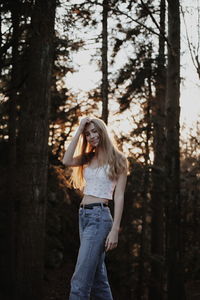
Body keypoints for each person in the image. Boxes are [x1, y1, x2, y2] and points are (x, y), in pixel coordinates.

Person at [62, 116, 128, 300]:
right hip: (83, 216)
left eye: (94, 131)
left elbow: (120, 195)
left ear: (102, 131)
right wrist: (79, 127)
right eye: (87, 133)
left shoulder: (119, 160)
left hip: (100, 219)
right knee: (99, 280)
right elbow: (66, 160)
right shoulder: (88, 157)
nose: (91, 136)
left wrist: (115, 229)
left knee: (79, 282)